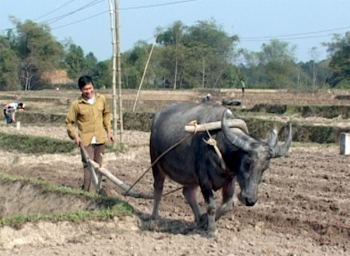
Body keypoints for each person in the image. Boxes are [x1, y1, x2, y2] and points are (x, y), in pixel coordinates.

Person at [66, 75, 114, 192]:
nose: (88, 91)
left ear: (93, 86)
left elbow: (106, 114)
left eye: (90, 88)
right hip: (85, 140)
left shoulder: (101, 99)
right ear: (81, 90)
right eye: (85, 89)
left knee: (98, 166)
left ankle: (97, 190)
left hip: (100, 139)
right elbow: (69, 122)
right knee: (88, 167)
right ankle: (88, 193)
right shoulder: (77, 104)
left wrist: (109, 131)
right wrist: (75, 136)